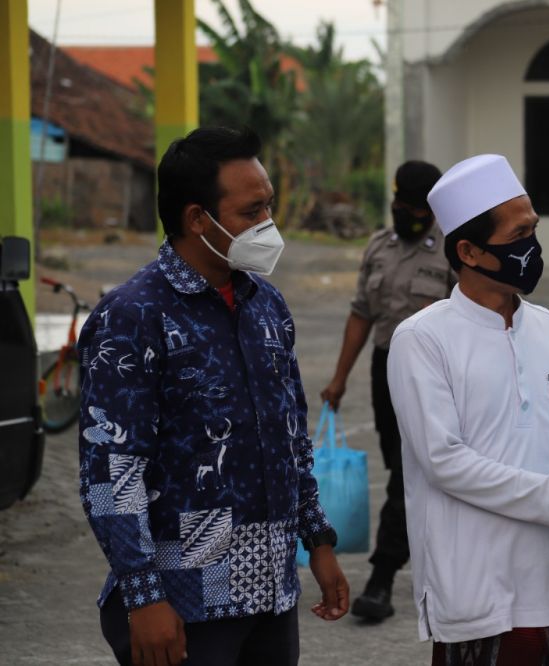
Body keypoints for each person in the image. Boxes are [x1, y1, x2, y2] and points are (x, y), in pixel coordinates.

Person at [78, 127, 349, 666]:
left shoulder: (267, 305)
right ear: (197, 219)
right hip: (183, 601)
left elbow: (292, 436)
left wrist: (317, 540)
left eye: (270, 207)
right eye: (252, 212)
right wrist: (144, 596)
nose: (268, 225)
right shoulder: (133, 315)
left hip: (271, 593)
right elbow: (112, 472)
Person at [387, 154, 549, 664]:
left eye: (532, 229)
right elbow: (444, 461)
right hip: (480, 595)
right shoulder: (422, 339)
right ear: (468, 250)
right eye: (519, 234)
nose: (531, 247)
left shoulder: (547, 329)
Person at [320, 160, 452, 620]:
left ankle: (382, 575)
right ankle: (431, 559)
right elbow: (362, 314)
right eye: (400, 206)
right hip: (385, 370)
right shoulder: (379, 246)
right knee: (401, 465)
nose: (406, 215)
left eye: (416, 209)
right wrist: (339, 378)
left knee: (407, 471)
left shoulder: (454, 250)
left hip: (438, 377)